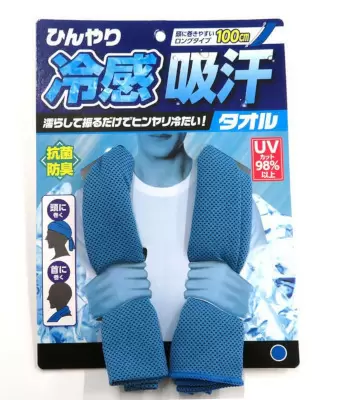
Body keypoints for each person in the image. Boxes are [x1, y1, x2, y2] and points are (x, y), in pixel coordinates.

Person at [76, 132, 267, 341]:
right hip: (112, 353)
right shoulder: (91, 197)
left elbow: (274, 294)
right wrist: (94, 300)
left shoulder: (234, 194)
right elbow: (63, 291)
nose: (160, 123)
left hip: (218, 350)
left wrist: (245, 301)